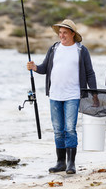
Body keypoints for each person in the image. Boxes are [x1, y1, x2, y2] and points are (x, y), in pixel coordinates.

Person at [27, 19, 97, 174]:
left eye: (65, 32)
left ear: (73, 33)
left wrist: (94, 94)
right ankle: (60, 163)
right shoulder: (54, 48)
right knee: (58, 130)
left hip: (73, 95)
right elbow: (45, 68)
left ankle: (71, 163)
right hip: (54, 95)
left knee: (70, 129)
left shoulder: (81, 50)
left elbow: (90, 73)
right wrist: (34, 67)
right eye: (60, 32)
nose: (61, 35)